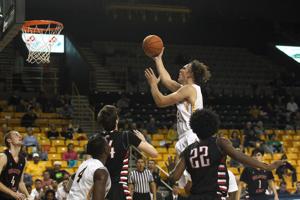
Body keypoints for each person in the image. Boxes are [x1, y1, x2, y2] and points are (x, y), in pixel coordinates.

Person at [168, 109, 284, 200]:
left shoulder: (187, 151)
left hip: (195, 196)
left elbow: (174, 177)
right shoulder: (219, 142)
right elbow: (240, 156)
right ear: (214, 127)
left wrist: (171, 168)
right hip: (215, 195)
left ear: (194, 129)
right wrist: (267, 167)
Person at [145, 50, 210, 155]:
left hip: (190, 136)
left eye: (184, 68)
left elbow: (160, 101)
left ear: (190, 74)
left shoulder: (189, 89)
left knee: (184, 170)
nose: (180, 70)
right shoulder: (188, 89)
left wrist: (153, 85)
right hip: (190, 136)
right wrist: (158, 59)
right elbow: (166, 80)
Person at [97, 105, 158, 200]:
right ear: (116, 120)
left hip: (100, 189)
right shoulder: (126, 136)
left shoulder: (96, 139)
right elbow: (154, 153)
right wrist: (144, 141)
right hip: (119, 189)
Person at [67, 135, 111, 200]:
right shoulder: (101, 171)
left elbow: (69, 186)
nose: (110, 146)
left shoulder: (84, 164)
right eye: (108, 144)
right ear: (105, 149)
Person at [0, 130, 30, 200]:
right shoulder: (3, 157)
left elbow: (20, 183)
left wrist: (29, 196)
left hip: (12, 197)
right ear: (9, 140)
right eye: (16, 135)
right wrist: (13, 193)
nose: (20, 136)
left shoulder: (23, 160)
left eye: (20, 135)